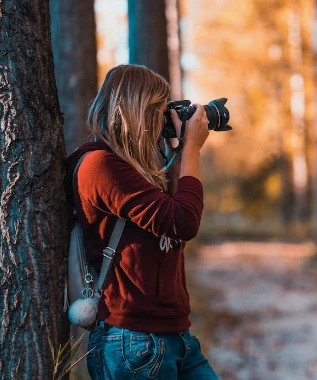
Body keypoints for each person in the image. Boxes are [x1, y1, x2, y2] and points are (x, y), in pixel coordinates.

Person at [65, 64, 219, 379]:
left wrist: (177, 145)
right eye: (161, 112)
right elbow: (182, 221)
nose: (164, 121)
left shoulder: (135, 168)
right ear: (141, 112)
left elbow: (175, 206)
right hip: (132, 341)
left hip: (175, 336)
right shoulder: (100, 165)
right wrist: (191, 148)